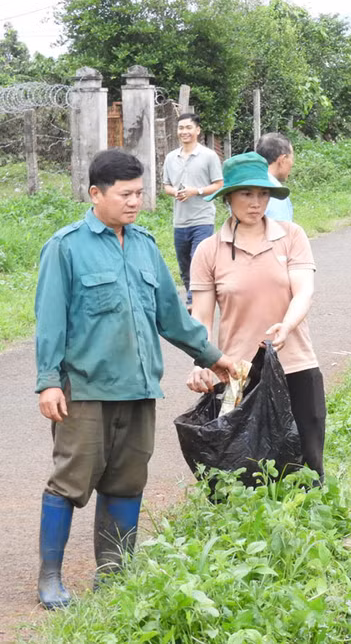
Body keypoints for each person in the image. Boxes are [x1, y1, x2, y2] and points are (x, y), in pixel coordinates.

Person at [34, 149, 236, 609]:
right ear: (95, 194)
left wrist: (213, 356)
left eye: (140, 193)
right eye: (125, 194)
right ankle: (51, 577)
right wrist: (48, 382)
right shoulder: (65, 247)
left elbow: (172, 315)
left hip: (140, 388)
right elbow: (50, 321)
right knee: (70, 481)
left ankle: (114, 576)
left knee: (126, 481)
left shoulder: (144, 245)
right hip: (83, 390)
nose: (136, 202)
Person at [186, 151, 326, 484]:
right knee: (245, 469)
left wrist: (287, 326)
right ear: (228, 198)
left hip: (296, 364)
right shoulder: (209, 250)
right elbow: (202, 317)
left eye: (263, 194)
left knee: (307, 465)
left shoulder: (291, 236)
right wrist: (201, 362)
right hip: (238, 373)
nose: (256, 202)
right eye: (247, 193)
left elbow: (303, 291)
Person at [162, 112, 224, 311]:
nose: (184, 132)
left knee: (198, 258)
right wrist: (176, 193)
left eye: (188, 128)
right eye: (181, 128)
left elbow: (218, 185)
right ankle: (196, 297)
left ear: (197, 130)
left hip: (203, 218)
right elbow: (166, 186)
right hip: (180, 220)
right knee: (184, 264)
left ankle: (191, 302)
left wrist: (195, 191)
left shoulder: (209, 156)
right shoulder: (171, 157)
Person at [255, 132, 295, 222]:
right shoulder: (276, 192)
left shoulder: (246, 184)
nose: (292, 164)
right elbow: (280, 231)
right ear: (283, 160)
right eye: (291, 158)